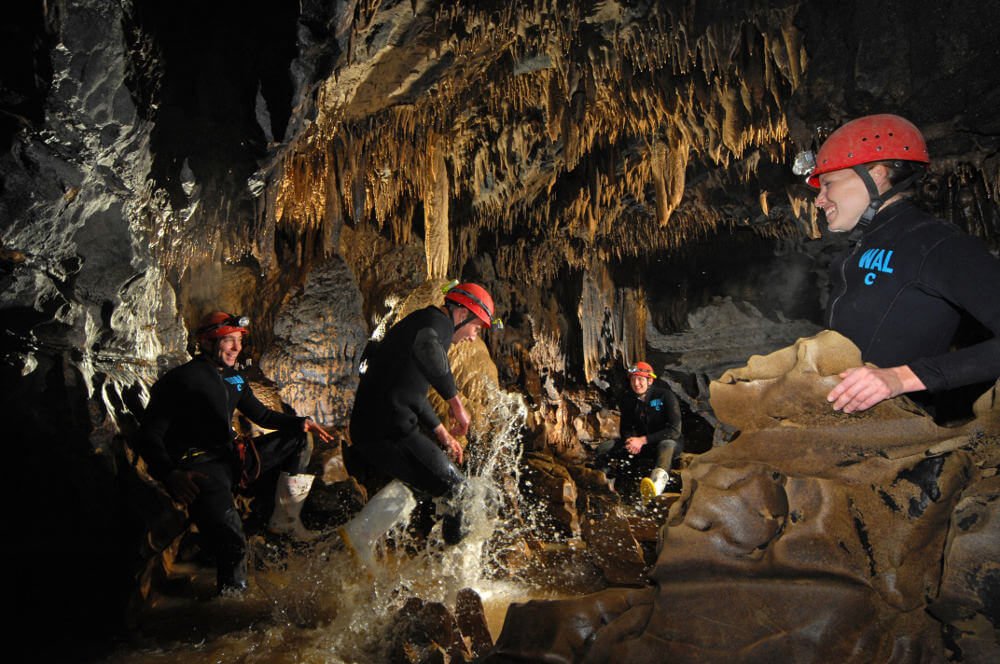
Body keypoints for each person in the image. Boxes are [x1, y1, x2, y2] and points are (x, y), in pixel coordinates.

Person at [805, 114, 1000, 413]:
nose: (820, 200)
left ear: (877, 174)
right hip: (841, 425)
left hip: (893, 434)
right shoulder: (857, 251)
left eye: (828, 183)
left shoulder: (937, 244)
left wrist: (900, 378)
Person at [137, 311, 334, 593]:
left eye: (238, 340)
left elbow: (263, 416)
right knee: (233, 545)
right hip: (201, 466)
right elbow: (150, 434)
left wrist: (301, 422)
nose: (236, 348)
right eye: (228, 341)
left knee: (299, 439)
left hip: (232, 456)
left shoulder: (235, 378)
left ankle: (284, 518)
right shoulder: (180, 381)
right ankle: (231, 604)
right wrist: (170, 474)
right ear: (205, 342)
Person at [341, 281, 502, 566]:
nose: (474, 338)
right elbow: (428, 346)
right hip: (389, 429)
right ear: (462, 314)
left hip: (377, 427)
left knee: (422, 484)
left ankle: (361, 533)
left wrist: (443, 435)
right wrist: (456, 403)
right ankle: (454, 570)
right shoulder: (435, 323)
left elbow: (413, 394)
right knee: (460, 491)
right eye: (477, 328)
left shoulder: (421, 323)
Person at [594, 362, 683, 504]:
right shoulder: (628, 399)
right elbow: (626, 428)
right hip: (642, 445)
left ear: (650, 380)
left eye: (640, 379)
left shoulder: (665, 396)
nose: (636, 383)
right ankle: (608, 484)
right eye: (633, 379)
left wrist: (643, 440)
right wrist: (631, 441)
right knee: (603, 449)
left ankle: (656, 485)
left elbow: (674, 430)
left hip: (667, 443)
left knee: (667, 444)